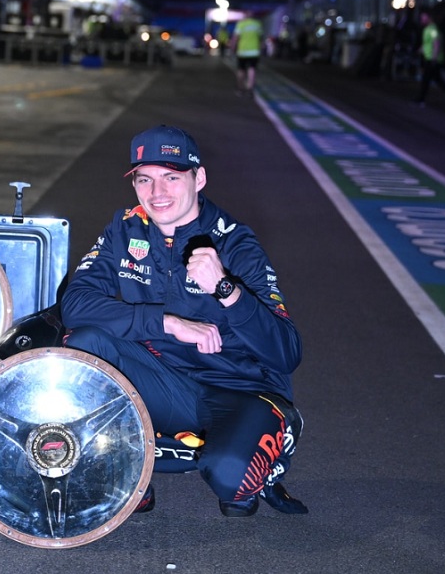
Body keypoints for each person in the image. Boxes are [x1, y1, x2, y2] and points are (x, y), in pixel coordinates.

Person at [60, 125, 307, 517]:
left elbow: (286, 352)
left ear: (199, 178)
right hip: (165, 384)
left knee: (233, 482)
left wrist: (227, 289)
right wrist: (168, 323)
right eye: (146, 179)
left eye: (172, 177)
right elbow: (76, 304)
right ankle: (124, 470)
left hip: (239, 390)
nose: (157, 193)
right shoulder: (126, 228)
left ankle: (271, 438)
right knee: (83, 344)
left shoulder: (235, 242)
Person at [415, 11, 445, 108]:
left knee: (426, 79)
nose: (422, 20)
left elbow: (436, 43)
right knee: (437, 79)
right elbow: (427, 43)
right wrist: (421, 50)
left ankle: (421, 99)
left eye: (423, 17)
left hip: (433, 59)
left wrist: (434, 58)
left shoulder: (433, 29)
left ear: (429, 17)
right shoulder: (427, 29)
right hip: (429, 58)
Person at [231, 13, 263, 93]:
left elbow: (235, 38)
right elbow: (260, 38)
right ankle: (250, 87)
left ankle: (240, 88)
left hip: (242, 51)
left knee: (241, 69)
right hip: (254, 51)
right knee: (252, 69)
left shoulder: (241, 24)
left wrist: (233, 47)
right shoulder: (257, 24)